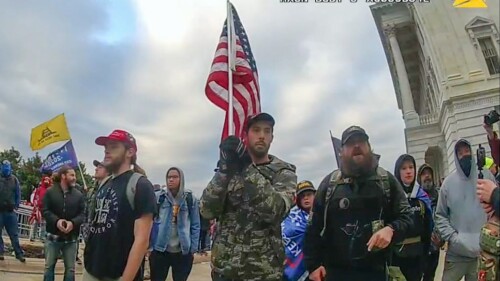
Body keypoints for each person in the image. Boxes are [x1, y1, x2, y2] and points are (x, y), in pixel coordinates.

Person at [303, 125, 412, 281]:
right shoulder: (330, 185)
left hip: (376, 273)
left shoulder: (385, 181)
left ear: (369, 147)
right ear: (341, 152)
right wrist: (313, 266)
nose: (356, 146)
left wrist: (391, 229)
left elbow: (408, 217)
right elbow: (312, 229)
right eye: (349, 143)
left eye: (361, 141)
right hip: (335, 273)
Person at [200, 113, 297, 281]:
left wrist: (247, 167)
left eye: (267, 131)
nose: (261, 136)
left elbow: (276, 210)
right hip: (225, 270)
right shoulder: (230, 171)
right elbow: (207, 211)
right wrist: (224, 169)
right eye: (256, 130)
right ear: (246, 135)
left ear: (272, 137)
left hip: (264, 272)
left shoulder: (283, 173)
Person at [84, 129, 157, 281]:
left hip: (118, 275)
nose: (107, 152)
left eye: (114, 147)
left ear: (130, 152)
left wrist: (126, 278)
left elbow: (142, 240)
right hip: (91, 271)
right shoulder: (104, 183)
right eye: (106, 148)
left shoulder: (140, 185)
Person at [435, 139, 497, 281]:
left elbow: (495, 208)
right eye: (460, 153)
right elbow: (440, 216)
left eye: (467, 151)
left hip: (483, 254)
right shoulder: (447, 184)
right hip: (456, 254)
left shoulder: (486, 176)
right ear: (456, 156)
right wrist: (453, 237)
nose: (464, 155)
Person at [149, 167, 200, 281]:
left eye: (175, 177)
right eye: (169, 177)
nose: (171, 180)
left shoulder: (190, 199)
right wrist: (150, 247)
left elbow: (195, 224)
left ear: (181, 179)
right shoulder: (159, 197)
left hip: (182, 251)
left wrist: (193, 249)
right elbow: (150, 222)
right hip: (160, 249)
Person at [391, 154, 433, 281]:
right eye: (403, 168)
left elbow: (429, 226)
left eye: (411, 167)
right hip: (397, 257)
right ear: (398, 172)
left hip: (418, 257)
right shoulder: (392, 198)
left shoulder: (422, 197)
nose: (408, 171)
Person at [42, 165, 85, 281]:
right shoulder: (50, 192)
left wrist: (73, 223)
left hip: (71, 239)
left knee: (71, 269)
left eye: (75, 175)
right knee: (49, 267)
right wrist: (57, 221)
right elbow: (45, 210)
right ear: (63, 176)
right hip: (53, 237)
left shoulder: (79, 195)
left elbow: (83, 214)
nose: (74, 178)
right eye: (72, 175)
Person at [282, 180, 316, 281]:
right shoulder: (290, 216)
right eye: (302, 196)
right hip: (294, 265)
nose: (306, 198)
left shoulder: (323, 213)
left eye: (309, 194)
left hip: (318, 264)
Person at [417, 163, 443, 281]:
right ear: (419, 178)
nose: (427, 176)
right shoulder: (416, 197)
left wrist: (441, 239)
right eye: (424, 174)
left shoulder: (440, 195)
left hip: (435, 246)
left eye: (429, 174)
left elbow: (444, 217)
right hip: (420, 247)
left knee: (430, 276)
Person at [0, 160, 25, 262]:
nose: (6, 168)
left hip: (10, 212)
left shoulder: (14, 179)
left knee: (14, 234)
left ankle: (19, 254)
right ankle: (1, 252)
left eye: (8, 166)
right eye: (4, 166)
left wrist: (17, 205)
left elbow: (18, 193)